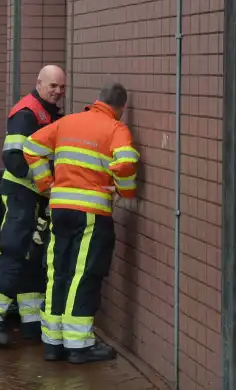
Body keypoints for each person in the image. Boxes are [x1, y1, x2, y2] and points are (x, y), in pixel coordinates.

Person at [23, 82, 139, 364]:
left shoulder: (68, 122)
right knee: (83, 274)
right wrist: (125, 191)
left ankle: (52, 343)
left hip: (60, 208)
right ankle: (78, 346)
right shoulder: (116, 128)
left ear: (97, 100)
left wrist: (46, 183)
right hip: (91, 212)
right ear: (120, 108)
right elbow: (125, 163)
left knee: (58, 271)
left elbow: (31, 146)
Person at [0, 65, 67, 346]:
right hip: (21, 194)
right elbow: (13, 161)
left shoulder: (47, 113)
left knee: (32, 257)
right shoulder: (27, 113)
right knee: (15, 251)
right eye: (53, 86)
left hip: (35, 197)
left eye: (62, 87)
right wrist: (46, 182)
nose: (58, 92)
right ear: (39, 83)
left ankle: (32, 323)